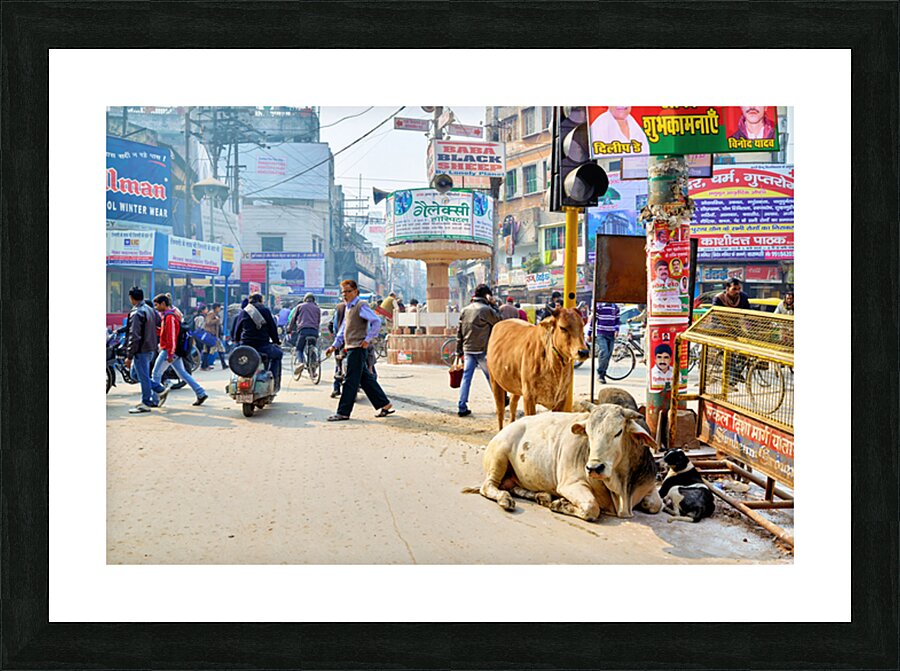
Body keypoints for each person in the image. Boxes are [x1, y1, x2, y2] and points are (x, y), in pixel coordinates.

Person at [324, 280, 394, 421]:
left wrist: (368, 339)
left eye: (348, 291)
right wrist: (334, 346)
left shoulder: (360, 305)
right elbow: (343, 329)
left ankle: (343, 411)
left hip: (357, 348)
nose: (345, 294)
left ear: (355, 292)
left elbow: (376, 321)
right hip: (350, 347)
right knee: (366, 379)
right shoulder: (348, 308)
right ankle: (385, 404)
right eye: (343, 292)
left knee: (350, 381)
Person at [149, 293, 208, 407]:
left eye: (157, 305)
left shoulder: (169, 317)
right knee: (182, 374)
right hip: (173, 350)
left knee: (156, 373)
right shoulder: (169, 315)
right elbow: (165, 332)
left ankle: (155, 399)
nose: (156, 308)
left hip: (169, 350)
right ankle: (200, 393)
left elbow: (171, 336)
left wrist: (170, 354)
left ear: (163, 304)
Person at [455, 283, 501, 417]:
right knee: (491, 377)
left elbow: (459, 333)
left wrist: (459, 351)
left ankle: (461, 406)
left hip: (468, 349)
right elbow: (499, 321)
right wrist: (494, 305)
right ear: (487, 295)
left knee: (466, 378)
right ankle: (501, 402)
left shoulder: (465, 310)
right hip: (483, 350)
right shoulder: (486, 310)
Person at [232, 292, 283, 393]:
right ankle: (273, 380)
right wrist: (276, 341)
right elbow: (272, 328)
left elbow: (237, 329)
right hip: (262, 346)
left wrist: (237, 340)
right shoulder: (265, 310)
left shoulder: (244, 312)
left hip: (246, 346)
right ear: (261, 300)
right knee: (278, 355)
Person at [123, 286, 160, 414]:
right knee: (137, 374)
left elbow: (134, 336)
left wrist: (129, 356)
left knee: (143, 376)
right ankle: (160, 389)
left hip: (141, 349)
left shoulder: (137, 312)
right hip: (150, 348)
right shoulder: (150, 310)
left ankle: (146, 402)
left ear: (132, 298)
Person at [289, 293, 322, 375]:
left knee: (299, 349)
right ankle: (313, 371)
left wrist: (289, 330)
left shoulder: (300, 306)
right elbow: (318, 321)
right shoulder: (317, 308)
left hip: (303, 330)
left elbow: (293, 319)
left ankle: (300, 362)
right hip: (314, 331)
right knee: (312, 348)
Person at [594, 302, 620, 384]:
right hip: (601, 333)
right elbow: (593, 320)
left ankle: (603, 373)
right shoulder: (599, 307)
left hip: (611, 334)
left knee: (608, 355)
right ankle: (600, 373)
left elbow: (617, 321)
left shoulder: (615, 307)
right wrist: (589, 333)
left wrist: (617, 330)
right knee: (604, 352)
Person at [329, 298, 348, 399]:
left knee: (338, 364)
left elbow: (334, 326)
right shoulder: (359, 307)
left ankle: (336, 388)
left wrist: (335, 338)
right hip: (354, 341)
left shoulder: (339, 307)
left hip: (340, 341)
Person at [202, 303, 227, 370]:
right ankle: (204, 366)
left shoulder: (215, 314)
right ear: (216, 308)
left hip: (214, 335)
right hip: (210, 335)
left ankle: (223, 364)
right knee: (208, 350)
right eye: (219, 308)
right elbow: (208, 322)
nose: (219, 309)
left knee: (217, 349)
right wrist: (216, 320)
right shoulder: (211, 314)